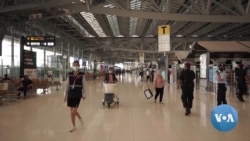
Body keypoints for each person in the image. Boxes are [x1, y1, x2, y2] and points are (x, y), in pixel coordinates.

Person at [64, 60, 86, 132]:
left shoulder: (82, 74)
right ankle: (73, 126)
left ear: (79, 66)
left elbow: (84, 85)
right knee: (71, 112)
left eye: (76, 65)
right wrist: (65, 95)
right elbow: (67, 85)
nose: (75, 66)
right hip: (70, 94)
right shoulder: (69, 74)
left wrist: (84, 94)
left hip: (77, 94)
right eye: (74, 65)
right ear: (72, 66)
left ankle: (80, 118)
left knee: (74, 111)